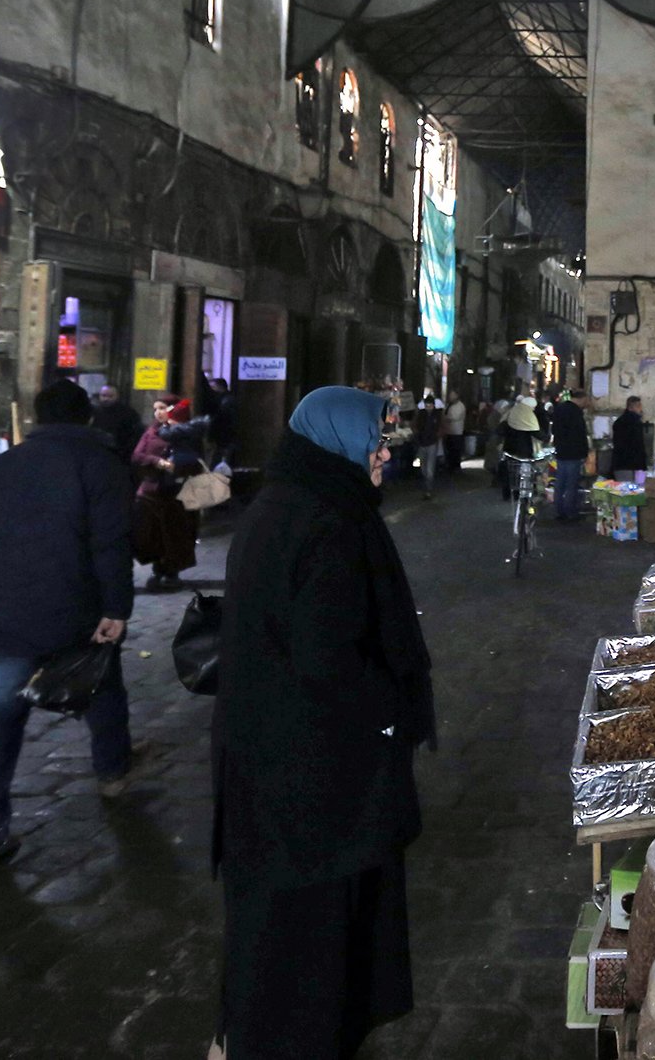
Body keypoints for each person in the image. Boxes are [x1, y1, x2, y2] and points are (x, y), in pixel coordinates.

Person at [211, 386, 434, 1060]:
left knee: (273, 923)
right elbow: (325, 656)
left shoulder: (285, 502)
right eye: (373, 439)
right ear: (336, 438)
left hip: (269, 753)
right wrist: (389, 717)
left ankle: (246, 1033)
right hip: (312, 772)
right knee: (308, 928)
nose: (381, 453)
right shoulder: (328, 523)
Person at [0, 379, 134, 864]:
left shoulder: (0, 467)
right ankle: (112, 773)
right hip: (75, 610)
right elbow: (111, 545)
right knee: (101, 686)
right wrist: (116, 608)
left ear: (36, 417)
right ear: (86, 416)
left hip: (3, 614)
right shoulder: (100, 465)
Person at [131, 394, 202, 591]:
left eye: (162, 408)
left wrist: (178, 465)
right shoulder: (152, 431)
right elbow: (138, 455)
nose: (158, 412)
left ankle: (171, 571)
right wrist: (158, 462)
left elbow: (196, 462)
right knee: (152, 533)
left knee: (175, 533)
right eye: (155, 409)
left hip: (177, 492)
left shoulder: (187, 431)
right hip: (151, 490)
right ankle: (157, 569)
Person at [552, 389, 589, 521]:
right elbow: (580, 434)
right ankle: (570, 512)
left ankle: (559, 510)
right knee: (571, 484)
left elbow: (554, 429)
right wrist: (584, 452)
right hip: (573, 453)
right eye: (585, 399)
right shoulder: (576, 413)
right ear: (581, 398)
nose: (587, 402)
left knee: (560, 482)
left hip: (561, 451)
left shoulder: (560, 409)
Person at [91, 384, 143, 468]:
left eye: (110, 396)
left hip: (120, 456)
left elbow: (135, 435)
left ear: (117, 396)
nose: (106, 399)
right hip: (97, 454)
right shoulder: (94, 412)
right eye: (103, 395)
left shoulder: (128, 413)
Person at [611, 395, 647, 482]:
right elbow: (638, 445)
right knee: (638, 489)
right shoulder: (636, 423)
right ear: (630, 408)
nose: (640, 409)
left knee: (625, 491)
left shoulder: (619, 422)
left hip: (621, 464)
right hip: (635, 464)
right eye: (638, 406)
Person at [411, 393, 440, 499]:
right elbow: (415, 425)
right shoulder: (421, 414)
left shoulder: (437, 414)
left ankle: (428, 490)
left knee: (430, 469)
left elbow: (440, 426)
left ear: (433, 405)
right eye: (427, 405)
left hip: (432, 443)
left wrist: (437, 436)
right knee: (422, 466)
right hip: (422, 443)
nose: (428, 407)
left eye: (430, 405)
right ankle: (426, 485)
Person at [209, 377, 238, 468]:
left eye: (213, 387)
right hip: (223, 438)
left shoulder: (226, 401)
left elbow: (223, 419)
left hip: (225, 437)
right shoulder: (225, 399)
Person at [442, 390, 466, 472]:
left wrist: (446, 417)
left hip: (457, 432)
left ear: (457, 395)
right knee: (450, 449)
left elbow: (455, 417)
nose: (450, 397)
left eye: (452, 395)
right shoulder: (450, 405)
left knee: (455, 450)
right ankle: (450, 465)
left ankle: (456, 467)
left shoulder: (460, 406)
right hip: (449, 431)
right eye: (450, 395)